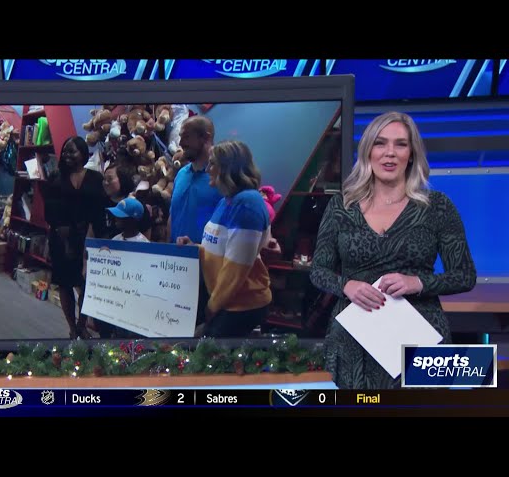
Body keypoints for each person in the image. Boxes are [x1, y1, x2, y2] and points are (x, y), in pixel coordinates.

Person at [310, 111, 477, 389]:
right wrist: (346, 285)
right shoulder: (342, 206)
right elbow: (318, 270)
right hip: (355, 340)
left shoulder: (437, 207)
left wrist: (418, 282)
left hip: (419, 336)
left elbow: (465, 275)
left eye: (400, 144)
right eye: (380, 143)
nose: (390, 153)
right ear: (368, 151)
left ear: (411, 154)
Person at [177, 140, 272, 337]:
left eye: (212, 164)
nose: (207, 169)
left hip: (240, 307)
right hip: (225, 303)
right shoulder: (226, 201)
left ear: (229, 167)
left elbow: (235, 270)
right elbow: (219, 248)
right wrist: (196, 248)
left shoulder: (247, 204)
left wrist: (211, 308)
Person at [44, 136, 106, 339]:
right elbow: (49, 210)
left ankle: (82, 324)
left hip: (88, 238)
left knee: (87, 283)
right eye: (65, 151)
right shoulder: (55, 177)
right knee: (65, 284)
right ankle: (72, 328)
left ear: (83, 153)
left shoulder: (96, 178)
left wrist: (92, 233)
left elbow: (100, 209)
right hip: (62, 240)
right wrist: (60, 231)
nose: (67, 155)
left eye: (72, 151)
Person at [168, 115, 223, 326]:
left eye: (186, 137)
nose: (181, 142)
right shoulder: (181, 174)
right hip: (177, 268)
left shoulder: (221, 177)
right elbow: (173, 214)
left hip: (207, 273)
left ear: (205, 138)